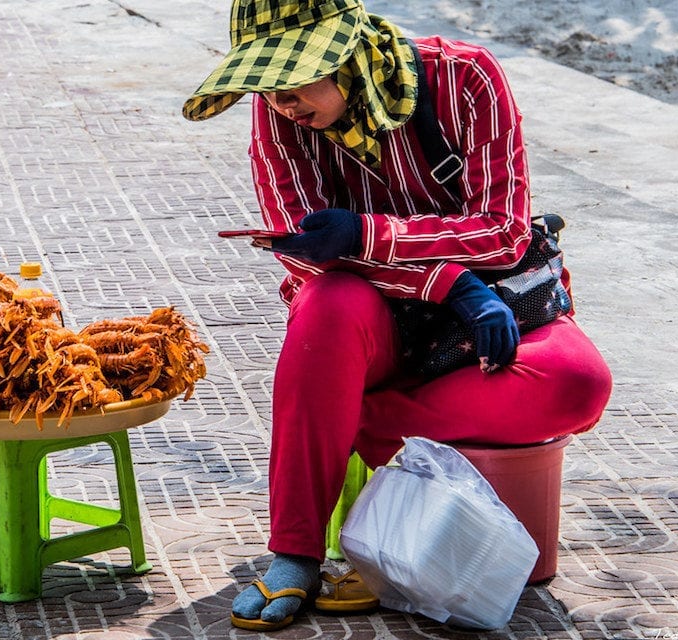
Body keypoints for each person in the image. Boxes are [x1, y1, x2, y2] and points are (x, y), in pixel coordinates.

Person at [182, 0, 613, 632]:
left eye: (298, 78)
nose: (282, 101)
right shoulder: (279, 116)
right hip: (368, 319)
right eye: (266, 84)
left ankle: (352, 420)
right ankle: (296, 552)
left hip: (490, 313)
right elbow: (306, 259)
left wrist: (369, 236)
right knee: (326, 304)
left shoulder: (466, 80)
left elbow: (501, 232)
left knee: (580, 383)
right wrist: (441, 278)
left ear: (349, 54)